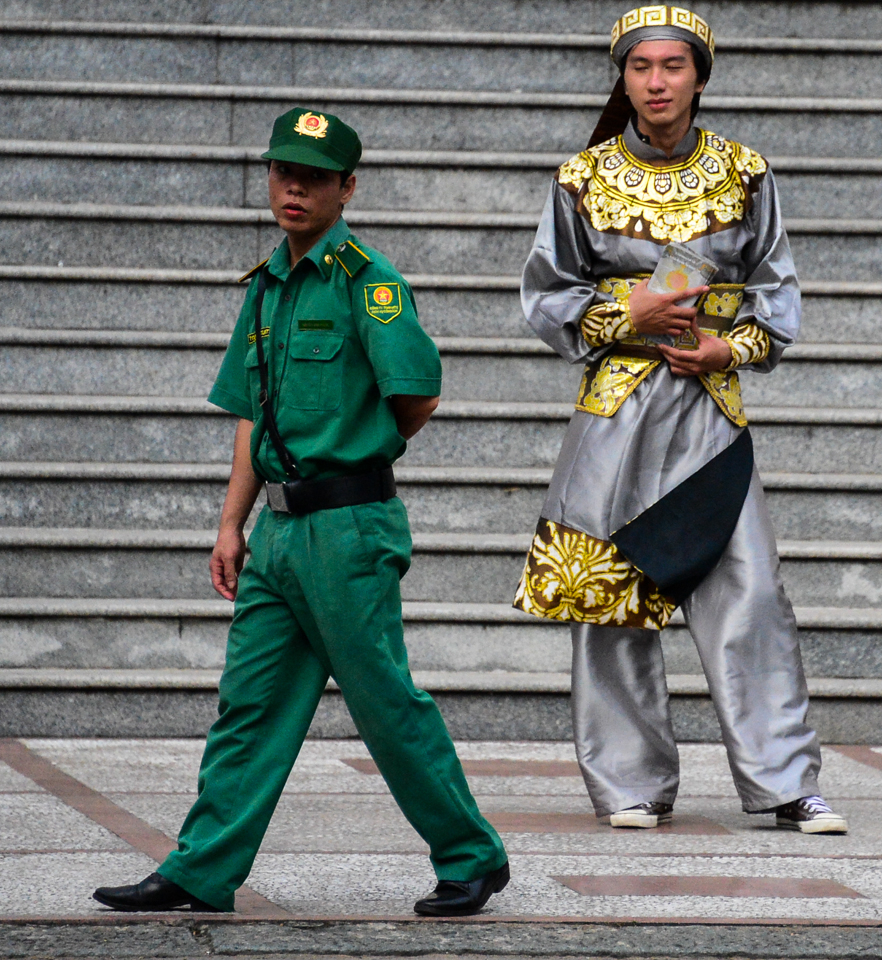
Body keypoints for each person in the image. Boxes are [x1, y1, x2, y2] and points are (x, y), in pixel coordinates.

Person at [92, 107, 509, 915]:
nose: (294, 188)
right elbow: (253, 411)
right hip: (279, 533)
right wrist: (231, 524)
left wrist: (358, 453)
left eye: (314, 177)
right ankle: (200, 870)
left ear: (347, 188)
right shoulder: (269, 286)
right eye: (284, 172)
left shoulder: (370, 283)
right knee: (247, 705)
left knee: (384, 702)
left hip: (348, 530)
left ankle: (471, 856)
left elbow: (418, 392)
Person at [513, 5, 847, 835]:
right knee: (610, 601)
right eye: (639, 68)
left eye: (672, 67)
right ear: (621, 77)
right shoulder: (580, 176)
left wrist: (729, 351)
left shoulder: (746, 170)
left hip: (711, 412)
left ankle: (784, 783)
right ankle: (628, 784)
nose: (656, 83)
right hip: (616, 416)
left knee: (752, 593)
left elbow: (776, 287)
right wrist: (632, 314)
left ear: (699, 74)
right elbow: (547, 295)